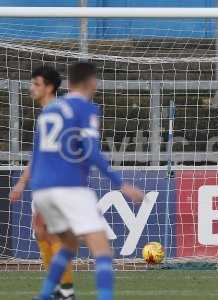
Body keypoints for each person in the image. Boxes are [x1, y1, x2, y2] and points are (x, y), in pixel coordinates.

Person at [29, 62, 143, 300]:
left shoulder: (49, 110)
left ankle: (45, 296)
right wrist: (120, 183)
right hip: (69, 188)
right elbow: (91, 152)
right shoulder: (86, 109)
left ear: (68, 84)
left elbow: (37, 157)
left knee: (69, 244)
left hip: (42, 190)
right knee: (102, 249)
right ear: (93, 83)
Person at [10, 66, 76, 300]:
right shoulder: (49, 114)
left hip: (54, 182)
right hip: (46, 181)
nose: (31, 88)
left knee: (51, 233)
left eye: (36, 84)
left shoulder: (55, 114)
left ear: (49, 87)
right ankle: (59, 288)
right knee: (41, 233)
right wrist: (22, 183)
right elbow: (38, 155)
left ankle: (65, 291)